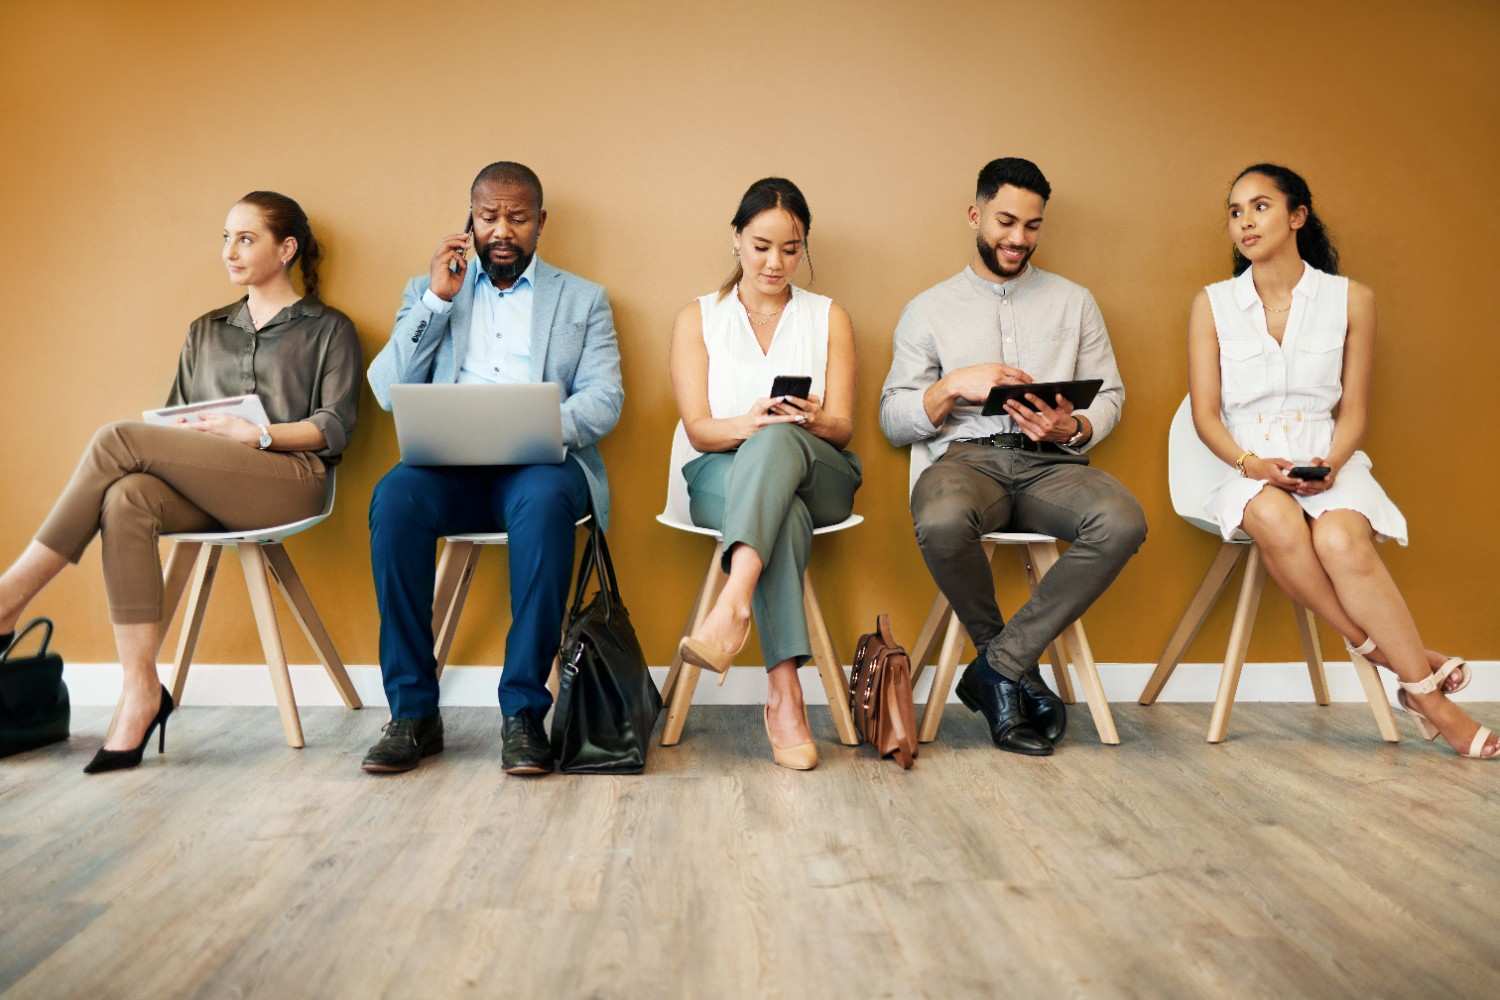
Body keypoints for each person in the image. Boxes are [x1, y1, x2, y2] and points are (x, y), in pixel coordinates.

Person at [0, 191, 361, 773]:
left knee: (115, 438)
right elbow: (173, 425)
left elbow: (335, 425)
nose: (230, 251)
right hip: (210, 485)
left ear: (286, 248)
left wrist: (258, 436)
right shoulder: (205, 331)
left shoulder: (328, 329)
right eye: (226, 237)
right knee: (127, 497)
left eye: (246, 238)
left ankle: (9, 597)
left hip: (292, 481)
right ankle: (142, 691)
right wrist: (200, 433)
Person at [1186, 162, 1495, 759]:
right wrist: (1253, 464)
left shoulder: (1352, 299)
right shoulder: (1212, 305)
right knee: (1276, 520)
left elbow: (1354, 410)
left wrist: (1330, 462)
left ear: (1297, 216)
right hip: (1242, 462)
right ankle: (1422, 687)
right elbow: (1204, 416)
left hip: (1329, 455)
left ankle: (1397, 666)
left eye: (1260, 206)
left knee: (1341, 542)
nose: (1245, 221)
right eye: (1235, 211)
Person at [364, 161, 623, 777]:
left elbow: (604, 398)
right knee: (393, 500)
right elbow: (383, 389)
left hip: (538, 466)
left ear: (540, 223)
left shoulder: (583, 299)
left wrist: (536, 425)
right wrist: (436, 299)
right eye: (488, 217)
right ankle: (413, 713)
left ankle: (524, 713)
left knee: (542, 504)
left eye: (517, 217)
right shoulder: (429, 292)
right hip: (446, 470)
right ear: (469, 221)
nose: (502, 230)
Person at [879, 157, 1146, 756]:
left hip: (1051, 465)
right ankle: (1016, 672)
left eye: (1032, 225)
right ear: (976, 215)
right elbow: (893, 418)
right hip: (966, 463)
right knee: (943, 521)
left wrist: (1070, 424)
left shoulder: (1075, 302)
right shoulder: (928, 308)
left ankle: (997, 671)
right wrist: (953, 386)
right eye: (1005, 221)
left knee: (1122, 520)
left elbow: (1113, 396)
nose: (1018, 238)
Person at [670, 177, 860, 770]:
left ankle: (731, 606)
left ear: (804, 247)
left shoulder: (829, 317)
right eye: (761, 246)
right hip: (718, 472)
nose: (776, 262)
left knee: (783, 442)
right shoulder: (697, 318)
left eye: (791, 248)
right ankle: (785, 697)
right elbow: (699, 430)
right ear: (737, 240)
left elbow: (844, 426)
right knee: (783, 511)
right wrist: (750, 422)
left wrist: (811, 418)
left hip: (819, 470)